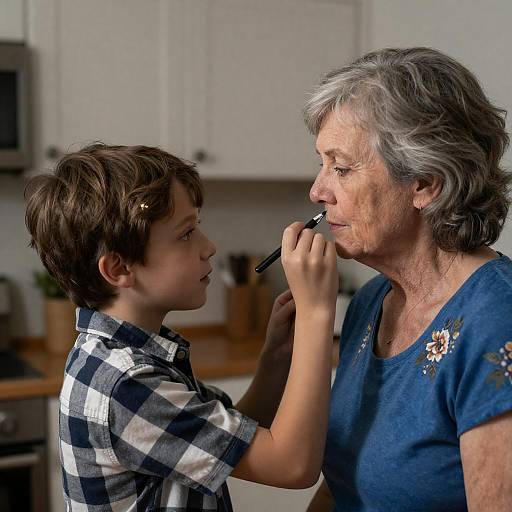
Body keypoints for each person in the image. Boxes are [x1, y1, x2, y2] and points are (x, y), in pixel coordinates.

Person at [24, 143, 338, 511]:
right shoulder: (126, 384)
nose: (209, 247)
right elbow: (292, 466)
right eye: (186, 233)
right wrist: (317, 315)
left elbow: (223, 440)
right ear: (120, 269)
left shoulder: (123, 356)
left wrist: (276, 360)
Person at [302, 47, 512, 512]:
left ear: (425, 183)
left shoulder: (498, 321)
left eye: (341, 168)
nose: (317, 192)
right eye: (321, 164)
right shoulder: (371, 302)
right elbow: (342, 482)